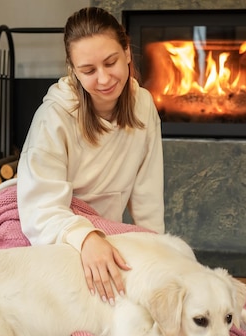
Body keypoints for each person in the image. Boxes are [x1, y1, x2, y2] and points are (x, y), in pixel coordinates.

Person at [15, 7, 165, 305]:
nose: (105, 78)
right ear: (73, 70)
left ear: (127, 52)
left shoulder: (143, 105)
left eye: (111, 62)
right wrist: (86, 238)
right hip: (46, 225)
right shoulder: (53, 117)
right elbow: (39, 209)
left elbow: (147, 198)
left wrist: (157, 256)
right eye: (89, 70)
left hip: (103, 232)